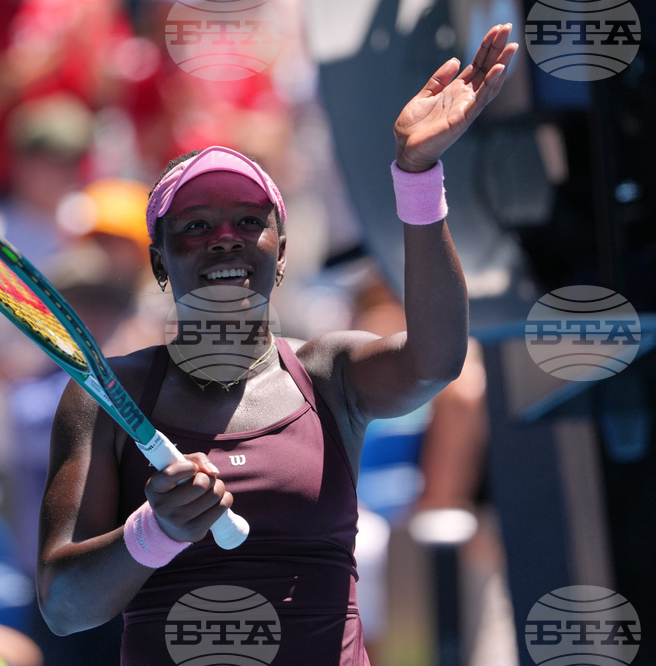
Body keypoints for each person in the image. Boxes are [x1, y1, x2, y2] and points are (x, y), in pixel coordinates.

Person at [37, 25, 518, 665]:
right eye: (197, 225)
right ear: (159, 262)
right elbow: (64, 606)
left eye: (249, 221)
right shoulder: (103, 397)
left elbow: (435, 362)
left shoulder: (329, 373)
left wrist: (418, 174)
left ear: (281, 254)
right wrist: (156, 533)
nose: (225, 238)